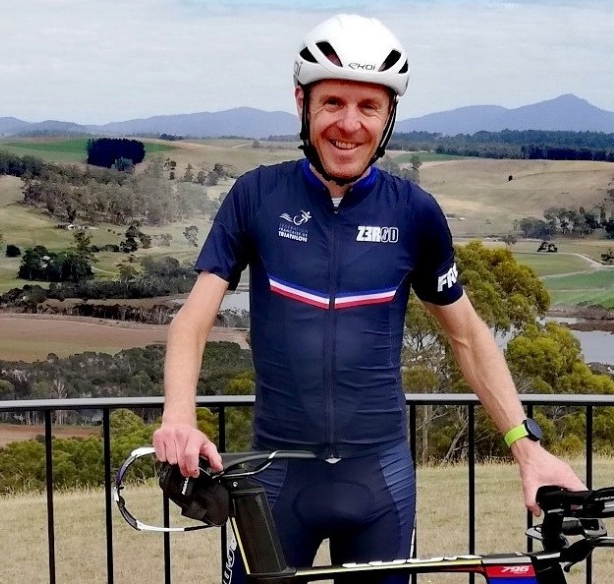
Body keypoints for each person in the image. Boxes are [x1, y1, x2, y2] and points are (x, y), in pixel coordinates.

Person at [153, 13, 585, 584]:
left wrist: (526, 446)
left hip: (380, 481)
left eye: (369, 107)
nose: (349, 124)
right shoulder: (256, 196)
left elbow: (467, 335)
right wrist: (179, 418)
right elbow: (193, 321)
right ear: (302, 103)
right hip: (276, 480)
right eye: (333, 102)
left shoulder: (415, 213)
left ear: (388, 117)